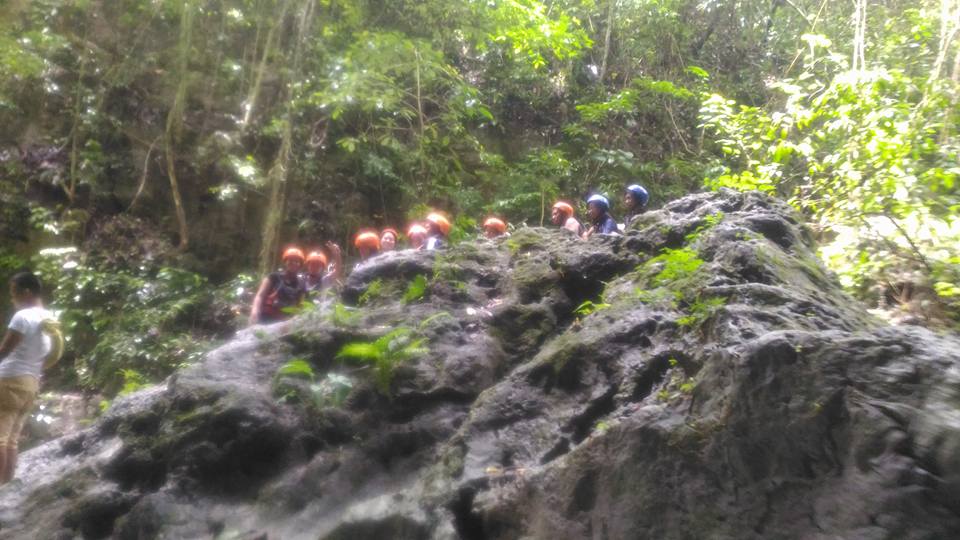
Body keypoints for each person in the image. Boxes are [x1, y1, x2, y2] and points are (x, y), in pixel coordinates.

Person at [0, 272, 63, 484]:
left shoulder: (23, 316)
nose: (12, 298)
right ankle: (6, 487)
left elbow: (5, 350)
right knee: (12, 439)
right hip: (31, 382)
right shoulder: (50, 317)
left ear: (26, 292)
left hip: (10, 380)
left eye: (14, 292)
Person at [249, 247, 308, 325]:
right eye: (290, 260)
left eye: (296, 261)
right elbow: (260, 295)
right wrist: (255, 310)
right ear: (285, 262)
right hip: (266, 319)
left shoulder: (301, 284)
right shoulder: (273, 277)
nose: (293, 263)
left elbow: (300, 305)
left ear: (300, 265)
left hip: (285, 323)